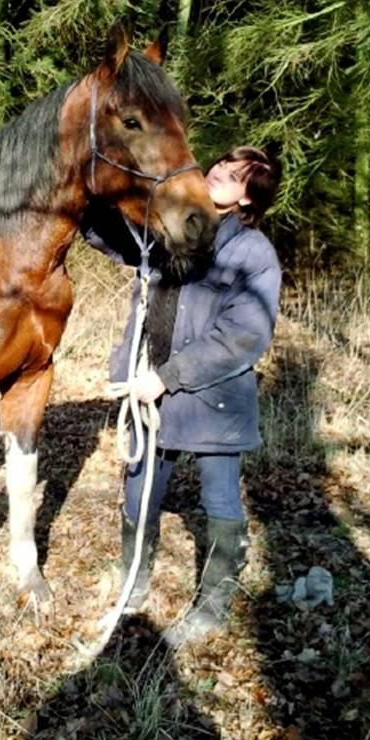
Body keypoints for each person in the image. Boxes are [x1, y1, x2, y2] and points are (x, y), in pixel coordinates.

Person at [82, 145, 282, 646]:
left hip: (213, 400)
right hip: (151, 394)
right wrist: (88, 186)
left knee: (219, 500)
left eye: (233, 175)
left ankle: (213, 609)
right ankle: (133, 585)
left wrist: (168, 375)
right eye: (219, 166)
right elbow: (112, 237)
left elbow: (244, 336)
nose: (218, 173)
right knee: (137, 490)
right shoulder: (174, 230)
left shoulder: (253, 253)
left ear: (246, 199)